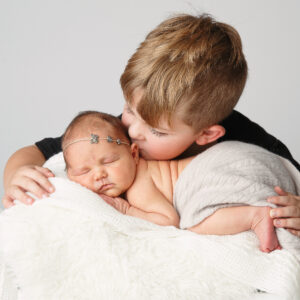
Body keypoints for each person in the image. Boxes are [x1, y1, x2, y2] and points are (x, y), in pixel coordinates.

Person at [2, 14, 300, 236]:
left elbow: (290, 175)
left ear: (207, 134)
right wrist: (18, 173)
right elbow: (35, 152)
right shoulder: (115, 136)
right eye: (130, 110)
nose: (133, 131)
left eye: (156, 131)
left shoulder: (245, 139)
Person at [62, 110, 283, 253]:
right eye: (83, 172)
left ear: (134, 154)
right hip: (238, 156)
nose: (99, 174)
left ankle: (255, 215)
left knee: (192, 226)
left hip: (218, 169)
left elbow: (168, 221)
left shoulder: (138, 186)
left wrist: (126, 209)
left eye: (109, 161)